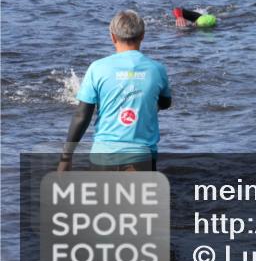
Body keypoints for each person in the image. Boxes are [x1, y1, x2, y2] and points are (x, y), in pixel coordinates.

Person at [58, 10, 172, 171]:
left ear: (112, 37)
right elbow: (166, 102)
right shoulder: (157, 69)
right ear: (142, 35)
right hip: (141, 157)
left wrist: (66, 157)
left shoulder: (97, 68)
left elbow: (82, 115)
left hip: (103, 157)